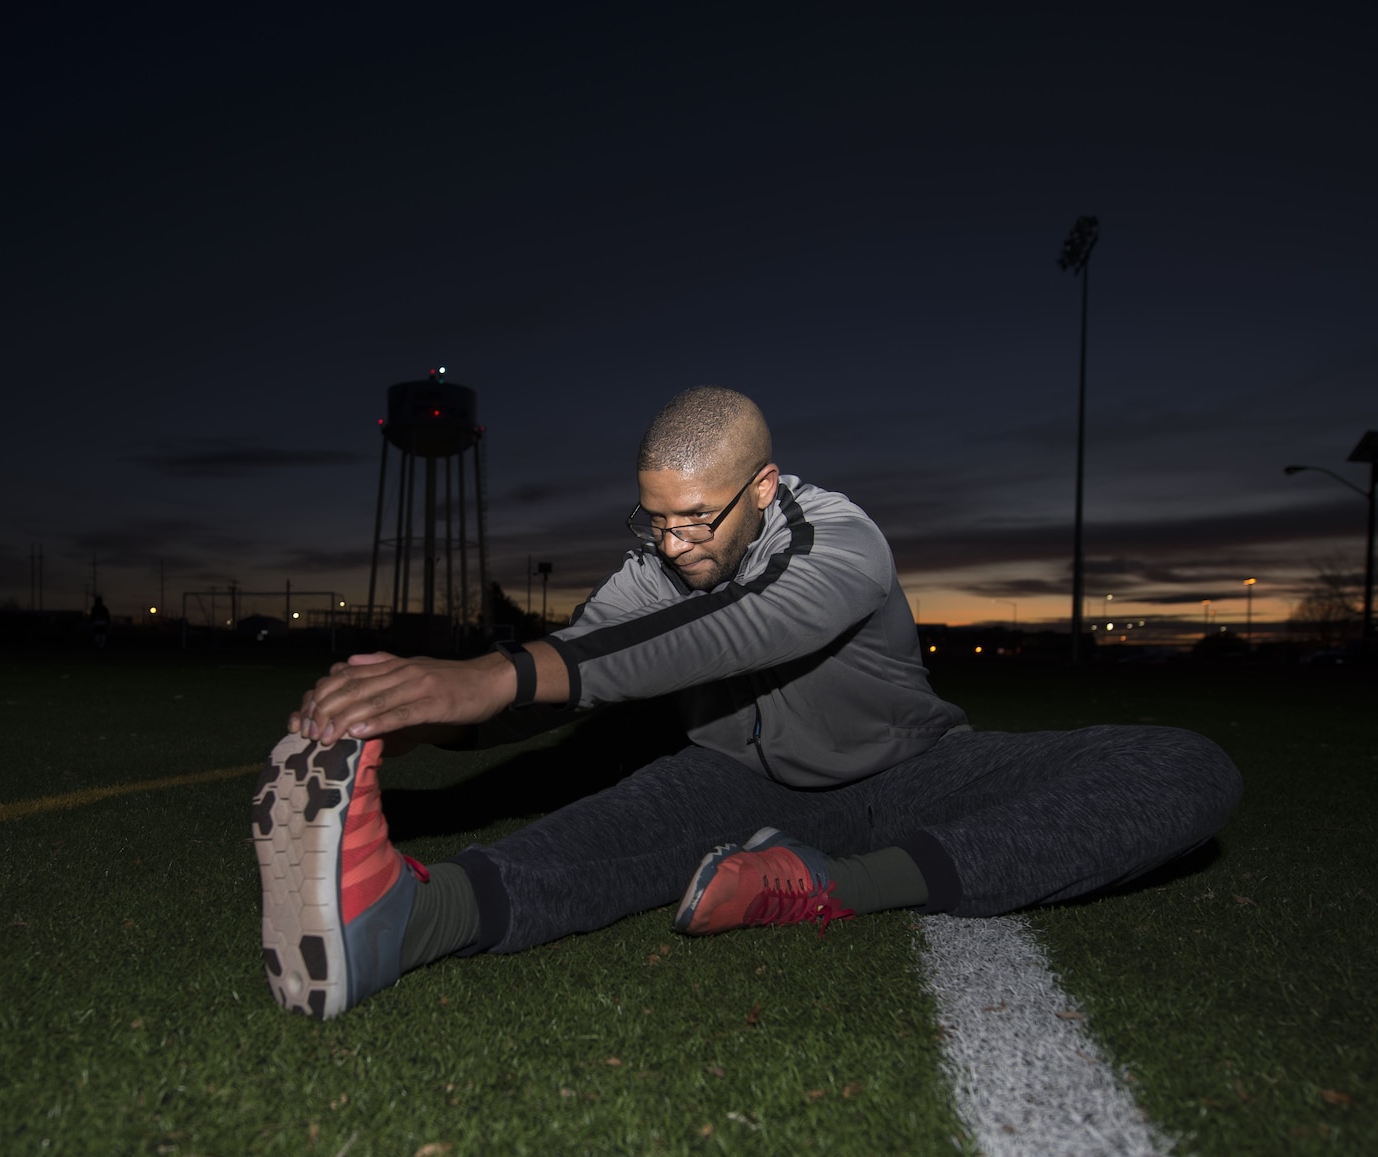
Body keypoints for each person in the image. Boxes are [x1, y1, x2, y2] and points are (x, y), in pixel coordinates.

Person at [253, 387, 1240, 1020]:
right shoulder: (658, 555)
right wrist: (437, 719)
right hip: (735, 779)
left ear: (761, 486)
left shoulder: (838, 544)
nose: (672, 544)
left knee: (1184, 768)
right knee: (598, 834)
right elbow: (588, 659)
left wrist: (486, 673)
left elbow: (728, 630)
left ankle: (829, 888)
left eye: (695, 519)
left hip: (912, 773)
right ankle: (390, 925)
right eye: (654, 519)